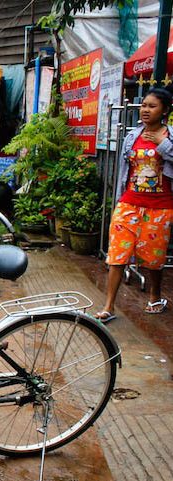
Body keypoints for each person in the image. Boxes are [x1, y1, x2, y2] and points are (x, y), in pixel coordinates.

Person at [95, 87, 173, 323]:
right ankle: (109, 306)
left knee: (154, 258)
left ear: (165, 110)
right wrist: (120, 198)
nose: (146, 110)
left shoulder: (170, 136)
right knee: (117, 253)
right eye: (144, 106)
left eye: (152, 106)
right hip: (129, 203)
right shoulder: (132, 136)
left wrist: (162, 144)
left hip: (160, 207)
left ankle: (155, 296)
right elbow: (125, 170)